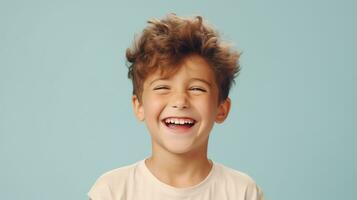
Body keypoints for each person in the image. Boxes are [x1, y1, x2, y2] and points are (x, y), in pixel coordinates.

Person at [88, 13, 264, 200]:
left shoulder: (242, 192)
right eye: (163, 87)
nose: (180, 101)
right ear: (139, 106)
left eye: (197, 88)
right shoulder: (112, 191)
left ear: (221, 109)